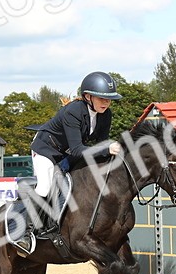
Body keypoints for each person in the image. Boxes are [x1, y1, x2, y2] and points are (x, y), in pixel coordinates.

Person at [13, 71, 123, 250]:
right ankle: (24, 233)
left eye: (109, 99)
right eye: (102, 98)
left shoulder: (106, 114)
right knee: (45, 186)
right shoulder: (73, 111)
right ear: (88, 96)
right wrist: (107, 148)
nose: (106, 102)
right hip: (46, 150)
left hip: (68, 152)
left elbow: (102, 144)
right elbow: (78, 149)